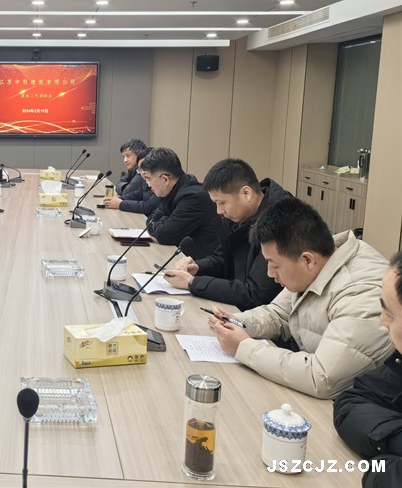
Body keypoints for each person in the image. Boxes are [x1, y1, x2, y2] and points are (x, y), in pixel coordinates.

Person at [207, 198, 393, 399]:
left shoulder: (360, 294)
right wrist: (237, 322)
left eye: (274, 265)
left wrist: (243, 347)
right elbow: (279, 313)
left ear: (307, 260)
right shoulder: (319, 260)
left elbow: (321, 378)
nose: (269, 273)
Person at [163, 158, 292, 309]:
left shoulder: (282, 222)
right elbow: (222, 258)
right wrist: (198, 267)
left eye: (222, 203)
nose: (219, 211)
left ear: (246, 193)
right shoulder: (240, 215)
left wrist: (193, 283)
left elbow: (256, 293)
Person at [334, 252, 402, 488]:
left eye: (390, 313)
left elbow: (322, 377)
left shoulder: (355, 285)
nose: (382, 321)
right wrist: (394, 438)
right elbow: (353, 401)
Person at [138, 147, 218, 259]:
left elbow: (165, 235)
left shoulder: (192, 198)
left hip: (200, 264)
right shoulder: (173, 191)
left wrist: (163, 221)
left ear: (165, 179)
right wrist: (165, 221)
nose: (148, 184)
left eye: (148, 179)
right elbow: (151, 219)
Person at [104, 146, 160, 216]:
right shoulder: (144, 179)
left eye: (145, 167)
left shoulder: (159, 184)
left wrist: (121, 204)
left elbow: (148, 206)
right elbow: (136, 194)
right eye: (140, 168)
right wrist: (119, 199)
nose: (142, 172)